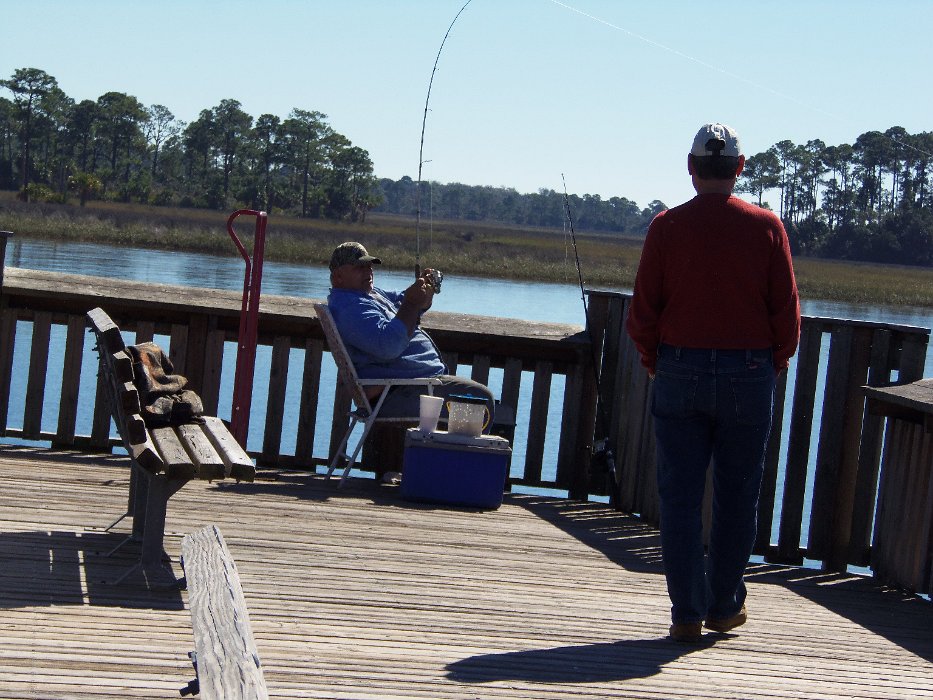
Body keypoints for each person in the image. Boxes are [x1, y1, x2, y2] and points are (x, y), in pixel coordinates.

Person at [625, 123, 800, 643]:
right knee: (738, 495)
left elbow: (643, 310)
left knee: (678, 498)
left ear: (691, 167)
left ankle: (685, 613)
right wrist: (777, 361)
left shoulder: (666, 227)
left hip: (679, 369)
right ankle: (724, 606)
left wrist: (654, 359)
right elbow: (786, 312)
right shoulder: (767, 227)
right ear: (739, 168)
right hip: (750, 374)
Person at [326, 240, 496, 434]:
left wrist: (423, 290)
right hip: (399, 394)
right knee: (481, 401)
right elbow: (388, 345)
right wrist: (412, 304)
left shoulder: (368, 295)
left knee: (479, 400)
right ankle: (457, 463)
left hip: (417, 386)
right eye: (359, 268)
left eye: (369, 266)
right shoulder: (349, 307)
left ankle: (448, 460)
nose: (368, 272)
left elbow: (403, 302)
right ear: (337, 276)